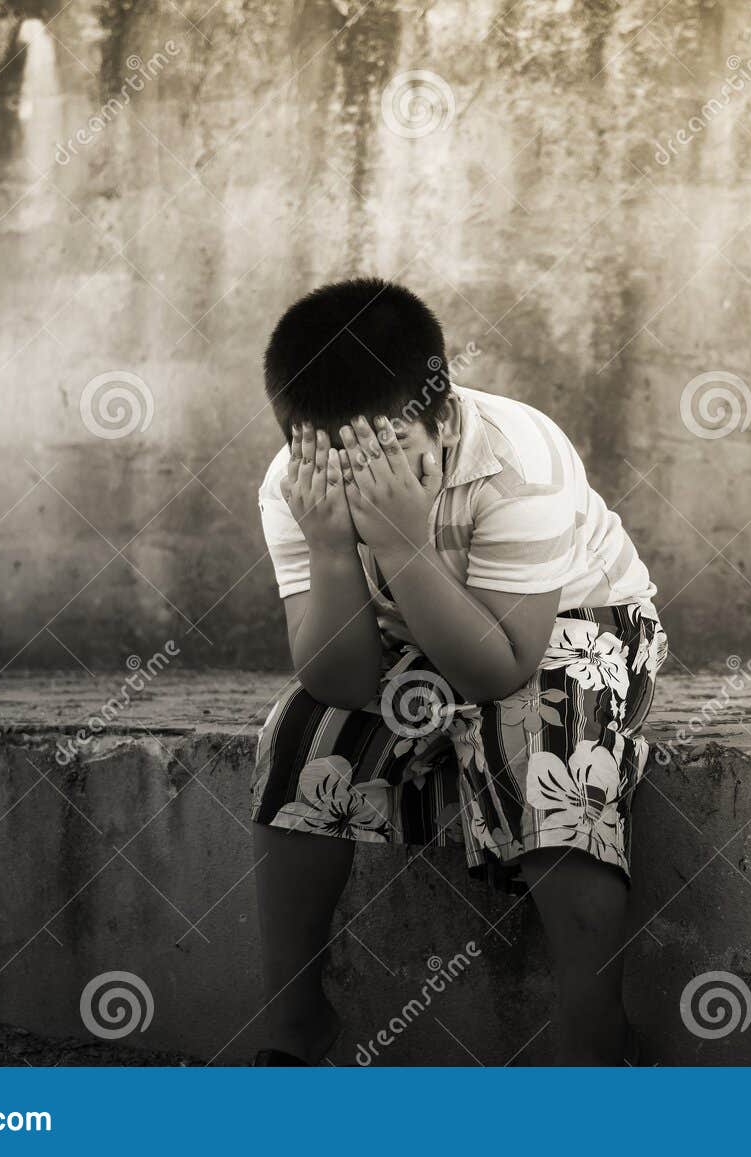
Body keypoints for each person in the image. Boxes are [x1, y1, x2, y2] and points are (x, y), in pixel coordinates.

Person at [250, 278, 666, 1065]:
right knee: (301, 735)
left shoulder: (520, 458)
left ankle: (596, 1043)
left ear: (440, 415)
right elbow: (337, 680)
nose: (359, 480)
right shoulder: (294, 483)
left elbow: (502, 666)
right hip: (415, 642)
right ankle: (293, 1024)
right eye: (339, 463)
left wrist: (404, 543)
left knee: (547, 746)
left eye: (382, 457)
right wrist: (336, 548)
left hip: (575, 625)